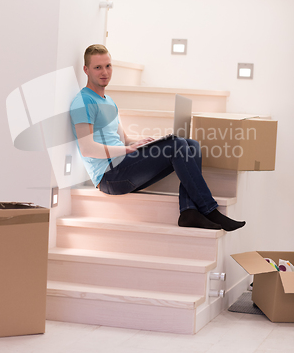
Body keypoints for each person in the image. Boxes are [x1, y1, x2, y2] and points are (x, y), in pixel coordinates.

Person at [70, 44, 246, 231]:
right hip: (110, 176)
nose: (104, 72)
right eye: (98, 67)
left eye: (108, 66)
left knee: (191, 145)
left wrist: (140, 143)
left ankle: (189, 212)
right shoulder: (83, 101)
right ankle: (209, 209)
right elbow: (87, 148)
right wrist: (126, 149)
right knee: (177, 145)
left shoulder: (109, 101)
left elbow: (124, 139)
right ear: (86, 70)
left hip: (124, 163)